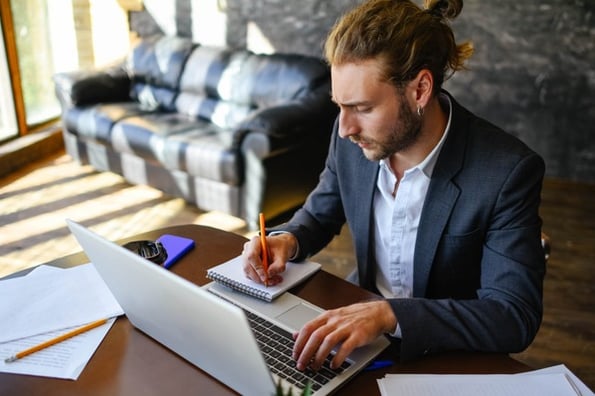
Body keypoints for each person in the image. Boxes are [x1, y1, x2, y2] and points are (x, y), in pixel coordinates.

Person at [241, 0, 546, 372]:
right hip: (359, 336)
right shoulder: (353, 139)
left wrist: (389, 315)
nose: (345, 128)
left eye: (363, 108)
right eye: (340, 106)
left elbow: (513, 317)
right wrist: (288, 239)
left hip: (446, 354)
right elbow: (322, 211)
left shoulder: (506, 172)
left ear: (419, 90)